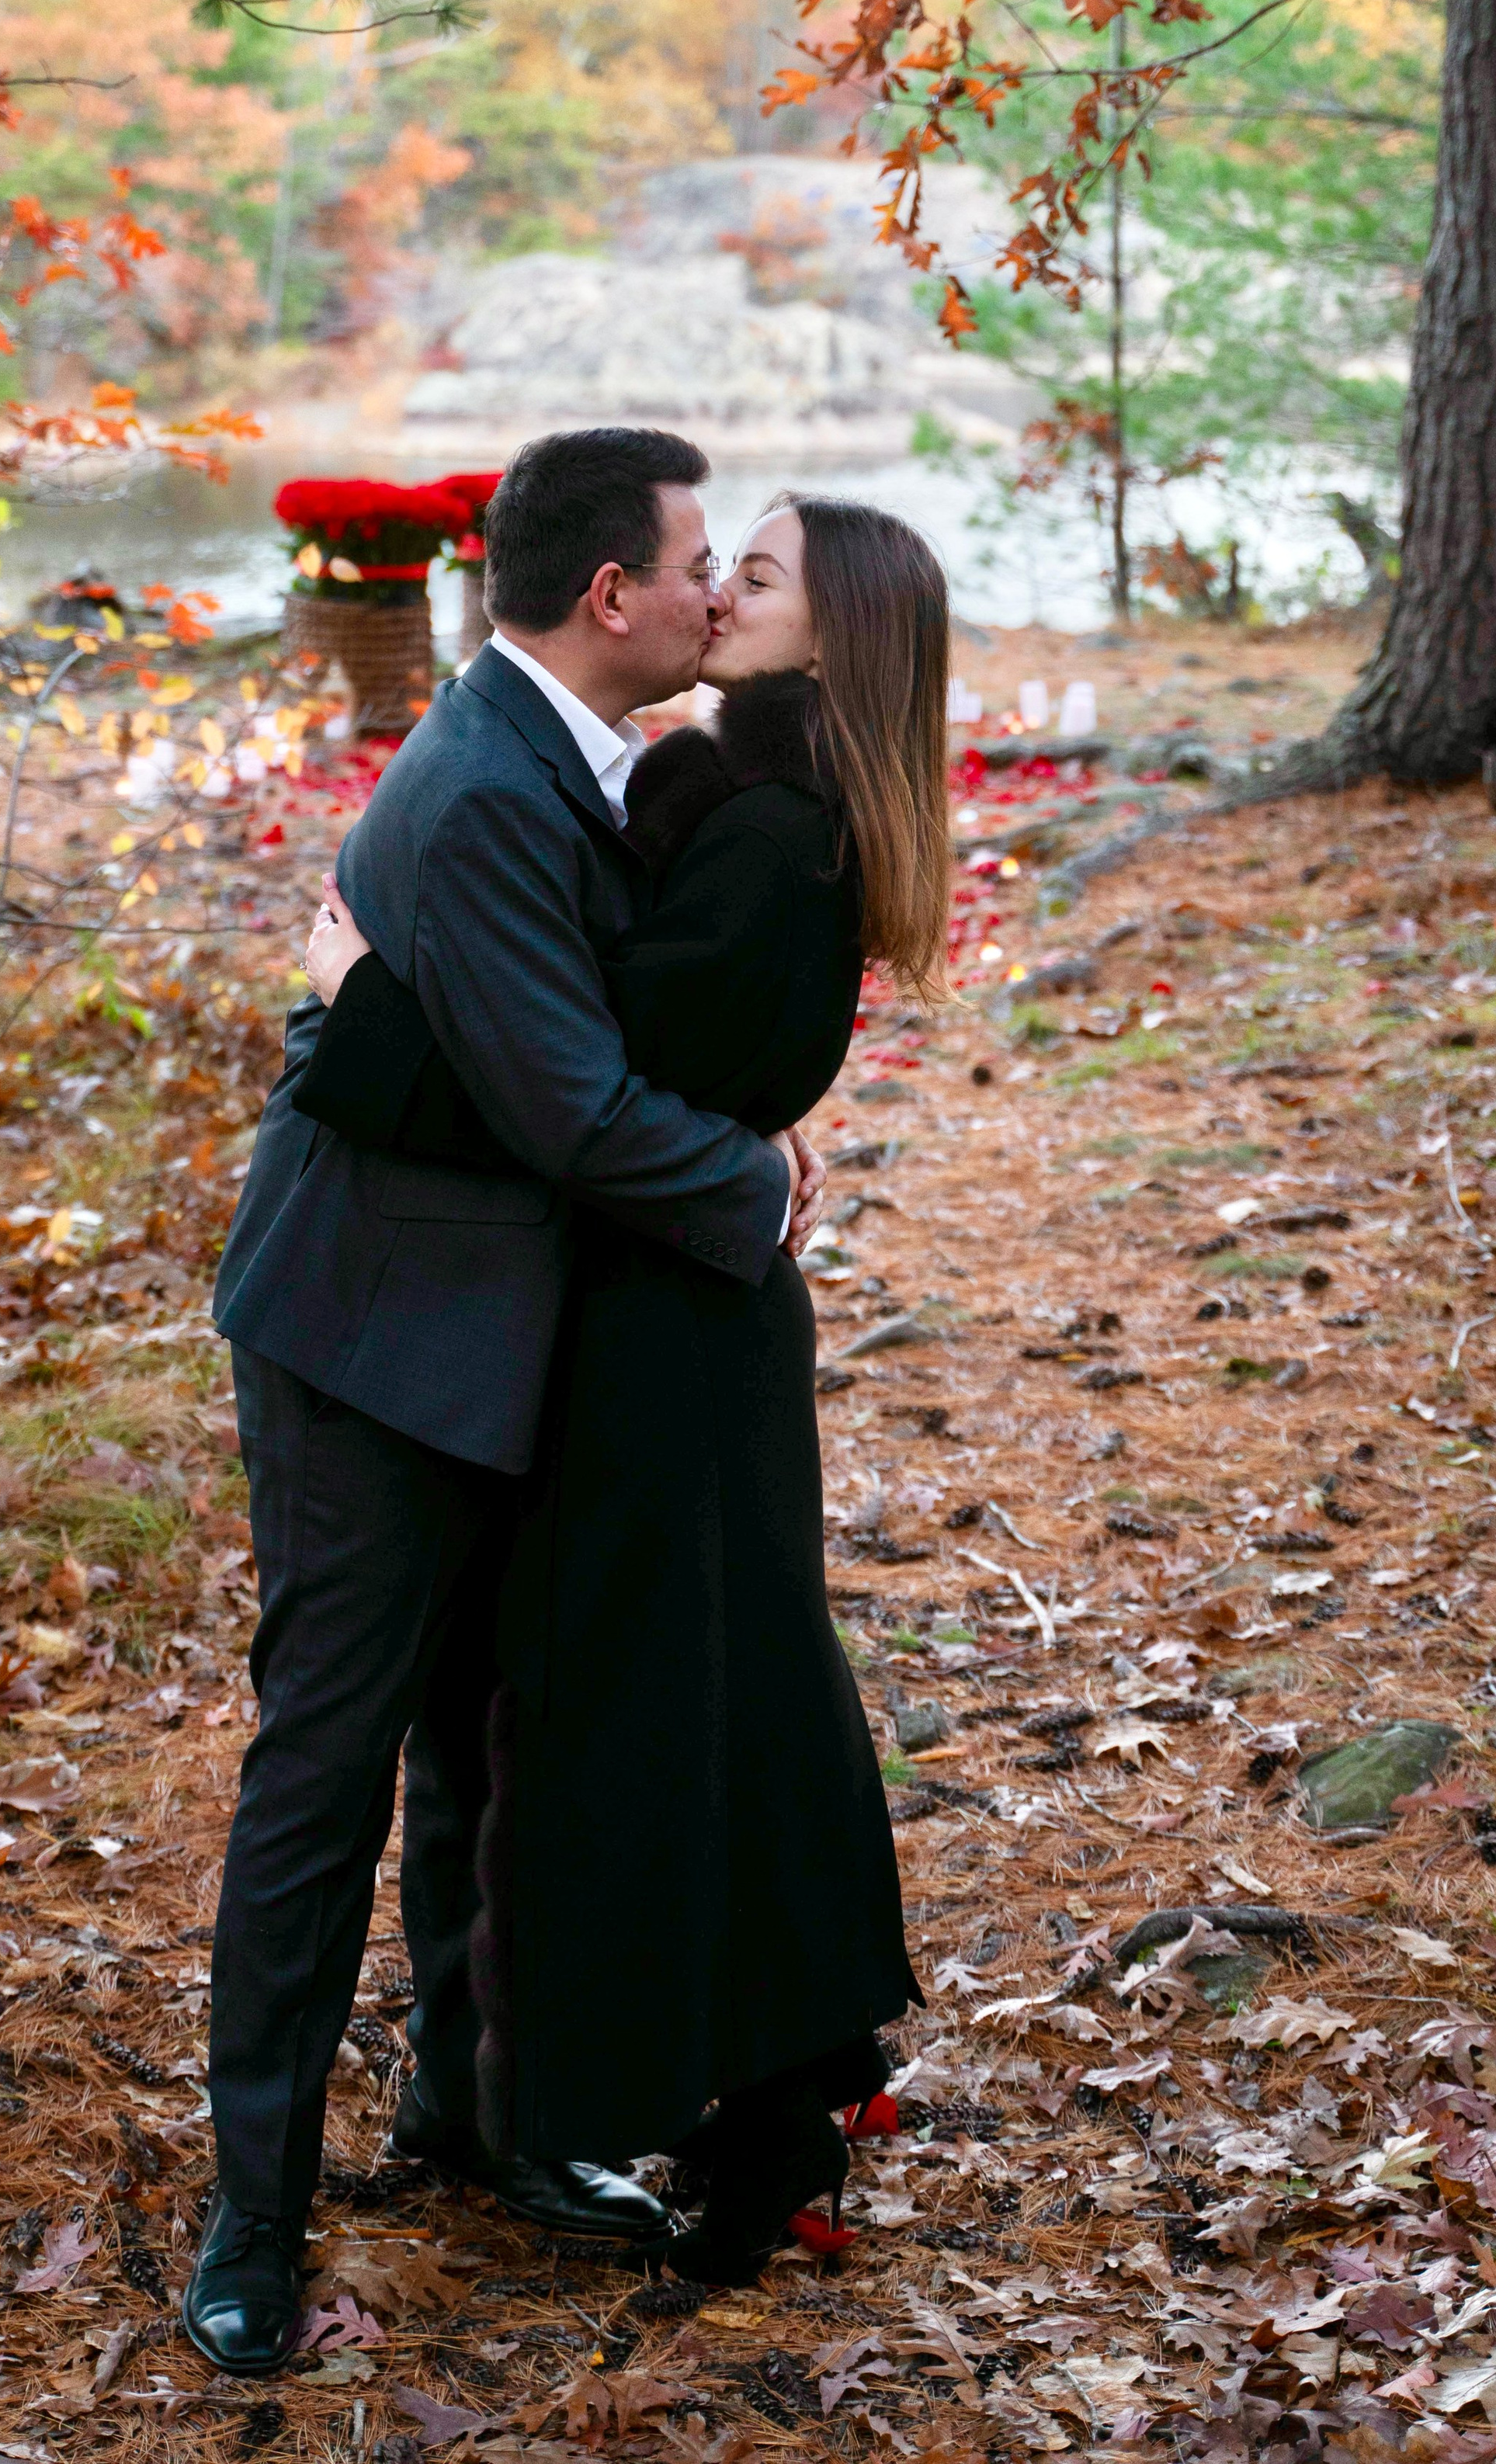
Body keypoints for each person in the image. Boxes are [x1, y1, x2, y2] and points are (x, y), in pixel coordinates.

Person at [188, 429, 823, 2375]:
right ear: (609, 596)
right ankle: (253, 2218)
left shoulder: (592, 751)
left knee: (481, 1752)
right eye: (699, 559)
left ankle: (470, 2123)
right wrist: (767, 1184)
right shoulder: (476, 782)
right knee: (327, 1770)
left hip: (511, 1336)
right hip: (371, 1346)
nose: (718, 588)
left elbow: (557, 1035)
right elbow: (569, 1102)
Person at [297, 489, 952, 2282]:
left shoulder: (762, 828)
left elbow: (574, 1078)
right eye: (712, 554)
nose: (712, 588)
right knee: (725, 1699)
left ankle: (761, 2132)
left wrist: (362, 1000)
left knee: (662, 1727)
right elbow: (632, 1046)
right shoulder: (750, 793)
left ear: (834, 632)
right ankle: (787, 2072)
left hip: (671, 1339)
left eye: (754, 572)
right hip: (680, 1316)